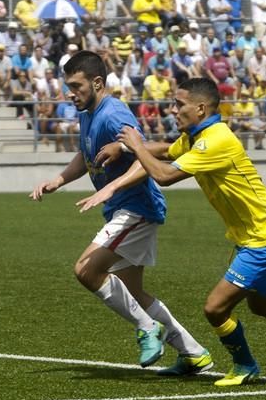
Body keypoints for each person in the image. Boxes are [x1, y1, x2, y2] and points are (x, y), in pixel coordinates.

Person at [81, 77, 266, 386]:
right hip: (260, 235)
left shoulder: (215, 139)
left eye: (179, 105)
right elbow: (166, 150)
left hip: (265, 239)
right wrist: (124, 146)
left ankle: (245, 366)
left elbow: (163, 175)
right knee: (262, 305)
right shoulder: (196, 136)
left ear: (201, 108)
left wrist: (135, 145)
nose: (172, 110)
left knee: (215, 308)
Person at [31, 51, 212, 375]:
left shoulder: (114, 113)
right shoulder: (88, 113)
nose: (70, 93)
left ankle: (147, 328)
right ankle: (193, 353)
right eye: (67, 86)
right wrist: (58, 181)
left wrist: (111, 187)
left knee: (86, 270)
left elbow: (143, 155)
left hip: (136, 208)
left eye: (76, 85)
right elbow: (87, 153)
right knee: (134, 293)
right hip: (124, 209)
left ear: (97, 83)